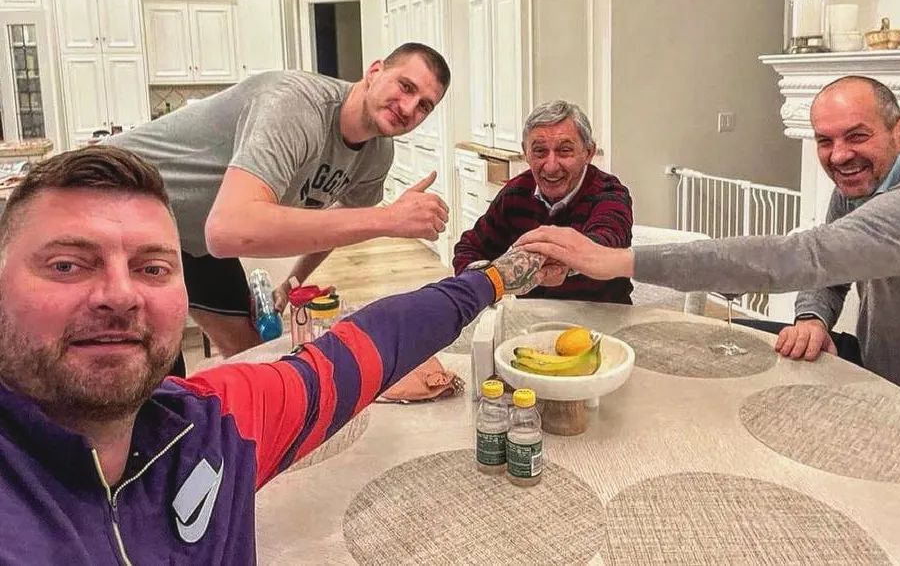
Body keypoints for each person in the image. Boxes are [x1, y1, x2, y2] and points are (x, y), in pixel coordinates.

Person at [0, 146, 544, 564]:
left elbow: (374, 342)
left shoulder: (213, 426)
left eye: (152, 268)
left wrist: (496, 278)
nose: (119, 295)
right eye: (67, 265)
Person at [517, 76, 900, 398]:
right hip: (873, 361)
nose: (838, 156)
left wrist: (618, 260)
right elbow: (829, 272)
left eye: (857, 136)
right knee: (697, 344)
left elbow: (800, 257)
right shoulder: (856, 186)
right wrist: (812, 318)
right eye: (824, 141)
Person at [109, 42, 452, 358]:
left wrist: (293, 282)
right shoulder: (295, 105)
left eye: (424, 105)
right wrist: (388, 220)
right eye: (405, 86)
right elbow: (229, 228)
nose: (408, 107)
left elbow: (343, 218)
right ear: (375, 71)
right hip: (118, 203)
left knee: (252, 353)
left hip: (191, 237)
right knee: (146, 366)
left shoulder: (377, 154)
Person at [453, 100, 633, 303]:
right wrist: (480, 286)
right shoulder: (515, 193)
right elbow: (470, 247)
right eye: (540, 151)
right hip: (529, 322)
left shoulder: (610, 193)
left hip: (600, 322)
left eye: (565, 151)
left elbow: (607, 241)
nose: (551, 166)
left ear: (588, 153)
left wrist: (565, 261)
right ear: (525, 152)